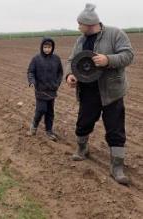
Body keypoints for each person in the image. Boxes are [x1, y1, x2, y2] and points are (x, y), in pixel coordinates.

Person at [65, 3, 134, 185]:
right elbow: (72, 60)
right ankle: (82, 148)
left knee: (115, 129)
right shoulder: (80, 40)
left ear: (89, 24)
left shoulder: (115, 34)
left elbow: (128, 55)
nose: (78, 27)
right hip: (88, 92)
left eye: (80, 24)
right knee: (83, 123)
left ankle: (117, 166)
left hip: (112, 92)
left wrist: (108, 59)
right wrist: (70, 75)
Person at [27, 38, 63, 141]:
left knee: (50, 112)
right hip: (40, 89)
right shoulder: (36, 59)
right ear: (42, 47)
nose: (47, 49)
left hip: (52, 89)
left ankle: (49, 131)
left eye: (49, 47)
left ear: (52, 47)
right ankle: (34, 126)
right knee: (41, 109)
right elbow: (31, 72)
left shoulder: (56, 59)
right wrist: (32, 81)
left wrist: (57, 83)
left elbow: (60, 72)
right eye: (45, 47)